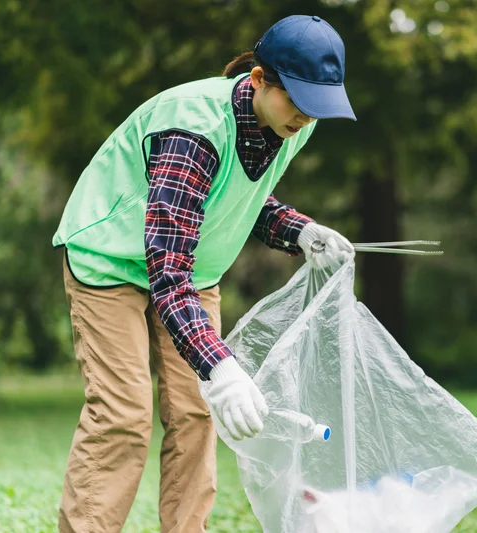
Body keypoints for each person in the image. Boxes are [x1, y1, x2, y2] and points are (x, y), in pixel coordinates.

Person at [52, 15, 356, 533]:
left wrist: (298, 230)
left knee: (197, 415)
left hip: (191, 272)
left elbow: (235, 195)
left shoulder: (290, 125)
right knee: (124, 419)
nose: (306, 118)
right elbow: (167, 268)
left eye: (316, 108)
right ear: (259, 79)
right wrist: (220, 364)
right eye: (298, 102)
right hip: (112, 262)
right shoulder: (192, 129)